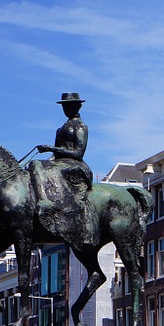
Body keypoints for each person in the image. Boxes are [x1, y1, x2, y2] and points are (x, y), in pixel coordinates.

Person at [28, 92, 97, 244]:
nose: (66, 109)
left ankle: (44, 202)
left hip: (75, 165)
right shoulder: (60, 129)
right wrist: (46, 160)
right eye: (64, 106)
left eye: (69, 106)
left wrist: (52, 149)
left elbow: (78, 153)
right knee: (34, 165)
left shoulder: (81, 126)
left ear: (77, 106)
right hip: (60, 164)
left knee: (38, 166)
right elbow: (54, 157)